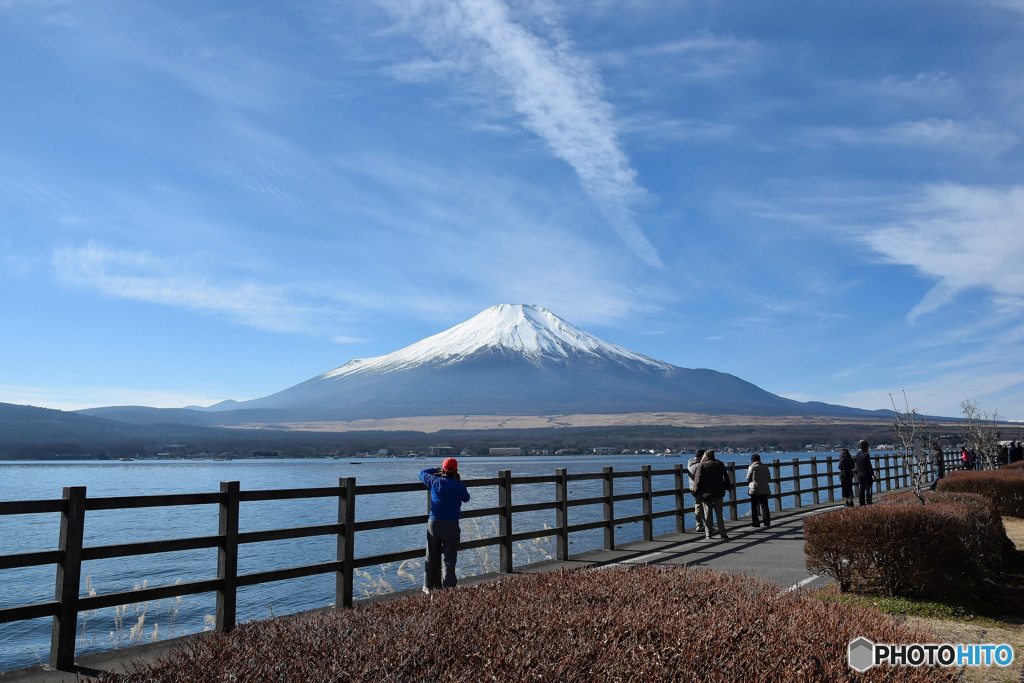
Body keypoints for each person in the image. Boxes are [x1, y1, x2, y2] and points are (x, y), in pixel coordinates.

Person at [419, 457, 471, 593]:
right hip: (452, 525)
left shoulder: (434, 481)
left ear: (443, 470)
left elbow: (421, 473)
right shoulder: (459, 487)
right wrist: (458, 483)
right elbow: (467, 498)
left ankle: (428, 586)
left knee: (431, 555)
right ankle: (448, 587)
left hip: (434, 524)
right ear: (456, 470)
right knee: (450, 557)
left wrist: (433, 470)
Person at [693, 450, 732, 540]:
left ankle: (708, 533)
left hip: (705, 494)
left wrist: (695, 491)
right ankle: (723, 533)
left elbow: (697, 480)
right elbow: (726, 477)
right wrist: (728, 487)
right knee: (719, 514)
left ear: (706, 456)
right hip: (718, 492)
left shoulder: (702, 465)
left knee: (708, 515)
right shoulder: (720, 464)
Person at [745, 453, 771, 528]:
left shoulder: (752, 467)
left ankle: (756, 523)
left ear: (752, 460)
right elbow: (769, 478)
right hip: (764, 488)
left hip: (754, 489)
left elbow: (748, 478)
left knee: (754, 507)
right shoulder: (766, 467)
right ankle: (767, 522)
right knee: (765, 506)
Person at [687, 448, 707, 533]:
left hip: (691, 486)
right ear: (702, 456)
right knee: (701, 506)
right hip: (699, 487)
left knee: (700, 505)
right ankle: (700, 525)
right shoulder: (699, 465)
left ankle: (703, 525)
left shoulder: (690, 463)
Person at [854, 441, 875, 506]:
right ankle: (869, 501)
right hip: (866, 474)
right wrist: (872, 474)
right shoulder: (866, 455)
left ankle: (861, 502)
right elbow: (869, 466)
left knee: (861, 488)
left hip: (859, 474)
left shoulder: (858, 454)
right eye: (868, 446)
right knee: (868, 488)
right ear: (866, 447)